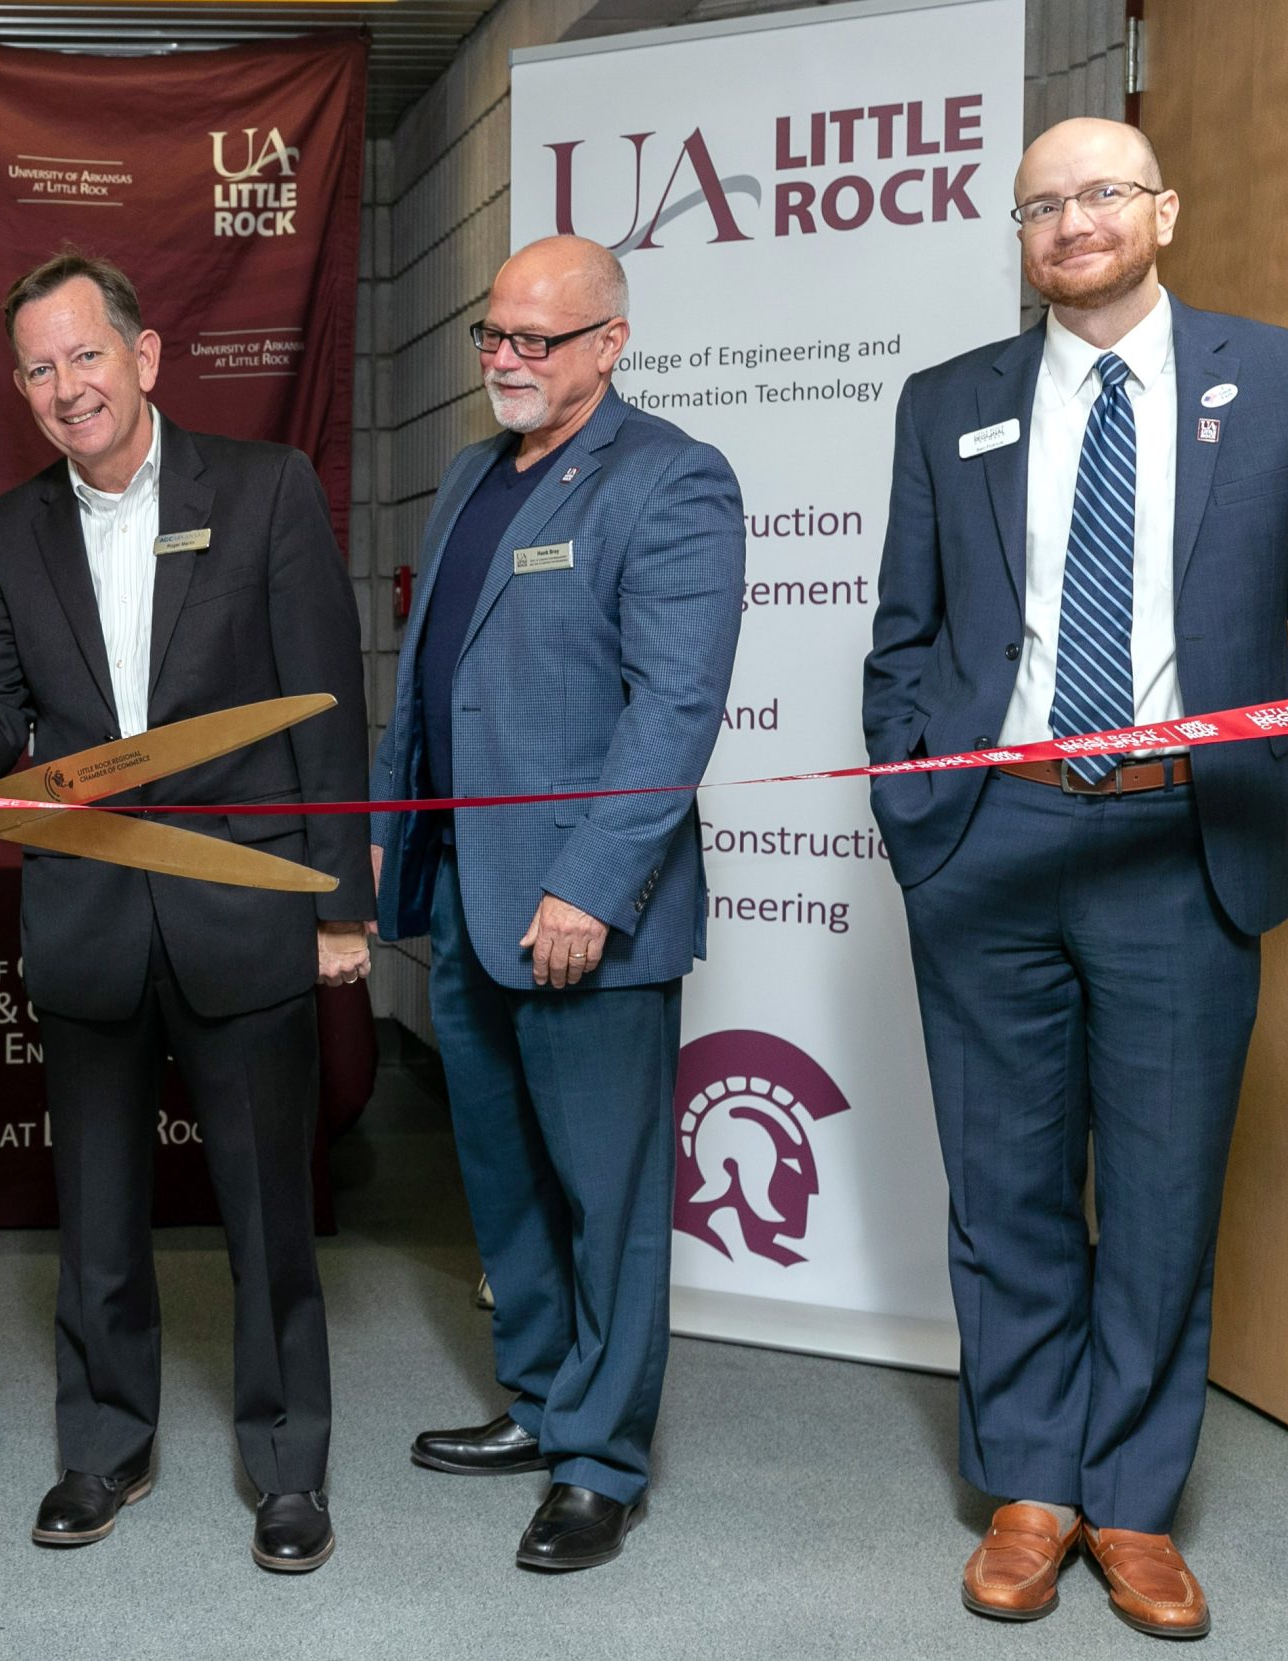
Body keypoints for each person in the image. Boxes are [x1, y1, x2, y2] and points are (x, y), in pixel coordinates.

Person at [864, 118, 1288, 1640]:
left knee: (1162, 1190)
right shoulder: (947, 402)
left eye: (1101, 191)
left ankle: (1135, 1503)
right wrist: (926, 817)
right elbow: (905, 631)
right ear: (1021, 234)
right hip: (993, 842)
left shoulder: (1281, 377)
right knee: (1007, 1188)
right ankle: (1030, 1488)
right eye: (1042, 202)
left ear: (1164, 206)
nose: (1072, 220)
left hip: (1184, 839)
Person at [0, 251, 371, 1573]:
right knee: (99, 1216)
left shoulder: (267, 493)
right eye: (38, 367)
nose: (67, 386)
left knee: (264, 1212)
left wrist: (340, 905)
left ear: (145, 357)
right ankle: (101, 1446)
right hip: (88, 923)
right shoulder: (5, 535)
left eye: (84, 355)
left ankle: (288, 1462)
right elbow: (3, 724)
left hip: (246, 910)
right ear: (18, 389)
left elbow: (325, 711)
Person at [369, 236, 743, 1572]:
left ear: (610, 343)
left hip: (585, 912)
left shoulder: (674, 480)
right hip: (469, 896)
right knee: (506, 1180)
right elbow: (437, 691)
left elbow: (675, 703)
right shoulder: (472, 475)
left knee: (609, 1193)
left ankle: (601, 1457)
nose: (509, 361)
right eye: (495, 336)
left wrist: (589, 882)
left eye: (539, 339)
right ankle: (536, 1401)